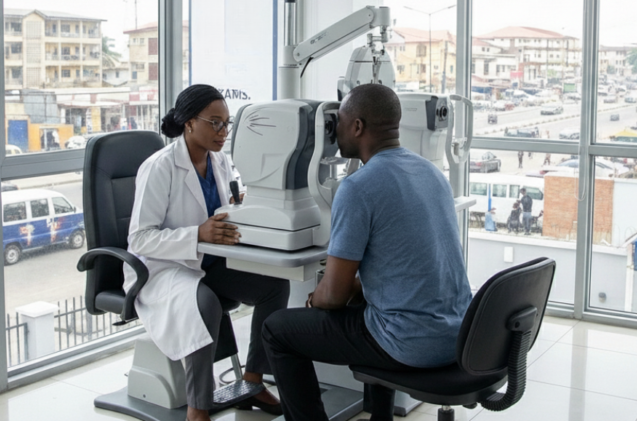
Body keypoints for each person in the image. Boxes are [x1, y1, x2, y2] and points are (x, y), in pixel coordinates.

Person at [262, 84, 472, 421]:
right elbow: (408, 268)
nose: (336, 132)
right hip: (462, 335)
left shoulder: (358, 187)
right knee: (366, 302)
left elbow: (332, 297)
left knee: (277, 330)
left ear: (357, 127)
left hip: (411, 343)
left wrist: (315, 299)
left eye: (339, 122)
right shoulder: (430, 172)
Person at [125, 84, 287, 421]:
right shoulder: (160, 167)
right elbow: (140, 239)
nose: (223, 132)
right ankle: (198, 409)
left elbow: (220, 209)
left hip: (209, 261)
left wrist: (241, 210)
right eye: (215, 123)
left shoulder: (220, 161)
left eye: (227, 124)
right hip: (165, 268)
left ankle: (253, 381)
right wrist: (196, 234)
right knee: (205, 305)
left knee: (275, 285)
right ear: (188, 123)